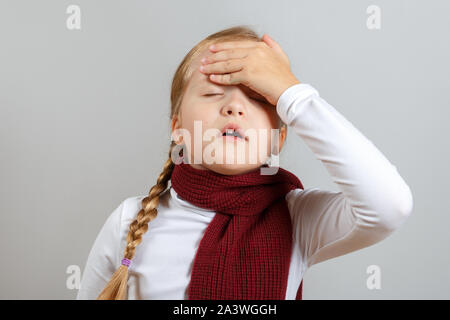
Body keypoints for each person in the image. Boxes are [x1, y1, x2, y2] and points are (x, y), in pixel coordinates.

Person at [76, 25, 413, 300]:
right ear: (178, 128)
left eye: (257, 97)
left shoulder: (298, 218)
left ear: (277, 139)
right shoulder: (129, 221)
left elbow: (389, 205)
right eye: (212, 93)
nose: (234, 107)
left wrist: (290, 93)